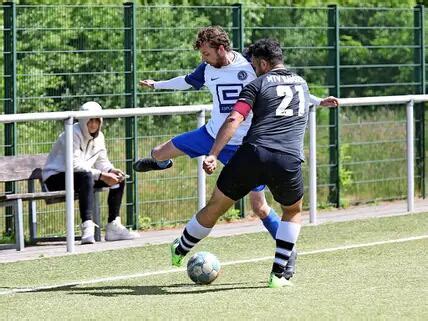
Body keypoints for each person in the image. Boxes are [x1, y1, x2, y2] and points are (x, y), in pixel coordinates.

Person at [135, 26, 338, 279]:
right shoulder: (207, 69)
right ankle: (164, 165)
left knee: (259, 206)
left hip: (243, 144)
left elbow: (283, 87)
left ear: (221, 49)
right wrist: (157, 85)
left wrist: (318, 102)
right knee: (158, 152)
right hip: (211, 135)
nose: (204, 59)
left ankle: (288, 249)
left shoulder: (250, 65)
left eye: (207, 53)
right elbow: (187, 81)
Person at [170, 38, 315, 288]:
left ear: (262, 63)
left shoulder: (256, 85)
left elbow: (234, 119)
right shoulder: (302, 84)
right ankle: (278, 275)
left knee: (216, 206)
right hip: (287, 159)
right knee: (292, 211)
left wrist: (214, 153)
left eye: (253, 64)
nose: (252, 68)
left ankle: (180, 249)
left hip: (252, 154)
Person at [42, 101, 138, 244]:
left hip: (82, 178)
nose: (93, 124)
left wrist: (111, 171)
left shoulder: (100, 137)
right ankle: (87, 227)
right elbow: (74, 166)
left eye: (96, 120)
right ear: (83, 121)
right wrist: (102, 175)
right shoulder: (71, 133)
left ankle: (113, 226)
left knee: (119, 178)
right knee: (87, 176)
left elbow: (102, 162)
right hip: (55, 179)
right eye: (90, 121)